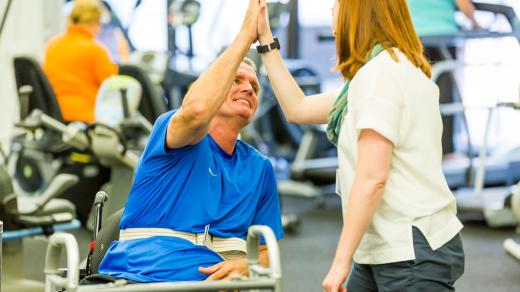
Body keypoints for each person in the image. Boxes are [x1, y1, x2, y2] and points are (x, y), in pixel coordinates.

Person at [257, 0, 464, 291]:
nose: (331, 11)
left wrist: (340, 261)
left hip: (409, 250)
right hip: (389, 246)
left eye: (337, 5)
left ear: (358, 13)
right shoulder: (390, 70)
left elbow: (372, 179)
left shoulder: (379, 77)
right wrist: (266, 41)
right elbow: (298, 108)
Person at [97, 0, 283, 283]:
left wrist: (246, 265)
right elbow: (196, 112)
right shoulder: (173, 131)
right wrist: (246, 35)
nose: (248, 87)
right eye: (236, 81)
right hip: (148, 276)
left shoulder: (259, 168)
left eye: (254, 86)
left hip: (217, 282)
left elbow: (268, 252)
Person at [408, 0, 481, 155]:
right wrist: (476, 23)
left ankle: (417, 147)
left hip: (413, 37)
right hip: (442, 35)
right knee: (444, 95)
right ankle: (445, 150)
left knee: (415, 95)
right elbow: (464, 5)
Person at [43, 0, 118, 123]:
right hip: (87, 119)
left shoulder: (52, 46)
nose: (99, 29)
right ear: (92, 22)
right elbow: (112, 87)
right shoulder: (95, 50)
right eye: (98, 24)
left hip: (55, 117)